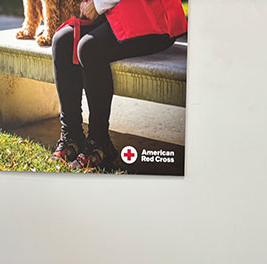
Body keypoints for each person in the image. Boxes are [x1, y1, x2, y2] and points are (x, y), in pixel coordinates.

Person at [50, 0, 187, 170]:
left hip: (153, 16)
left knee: (89, 48)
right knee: (61, 41)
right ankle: (71, 136)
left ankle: (99, 143)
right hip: (116, 9)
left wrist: (98, 4)